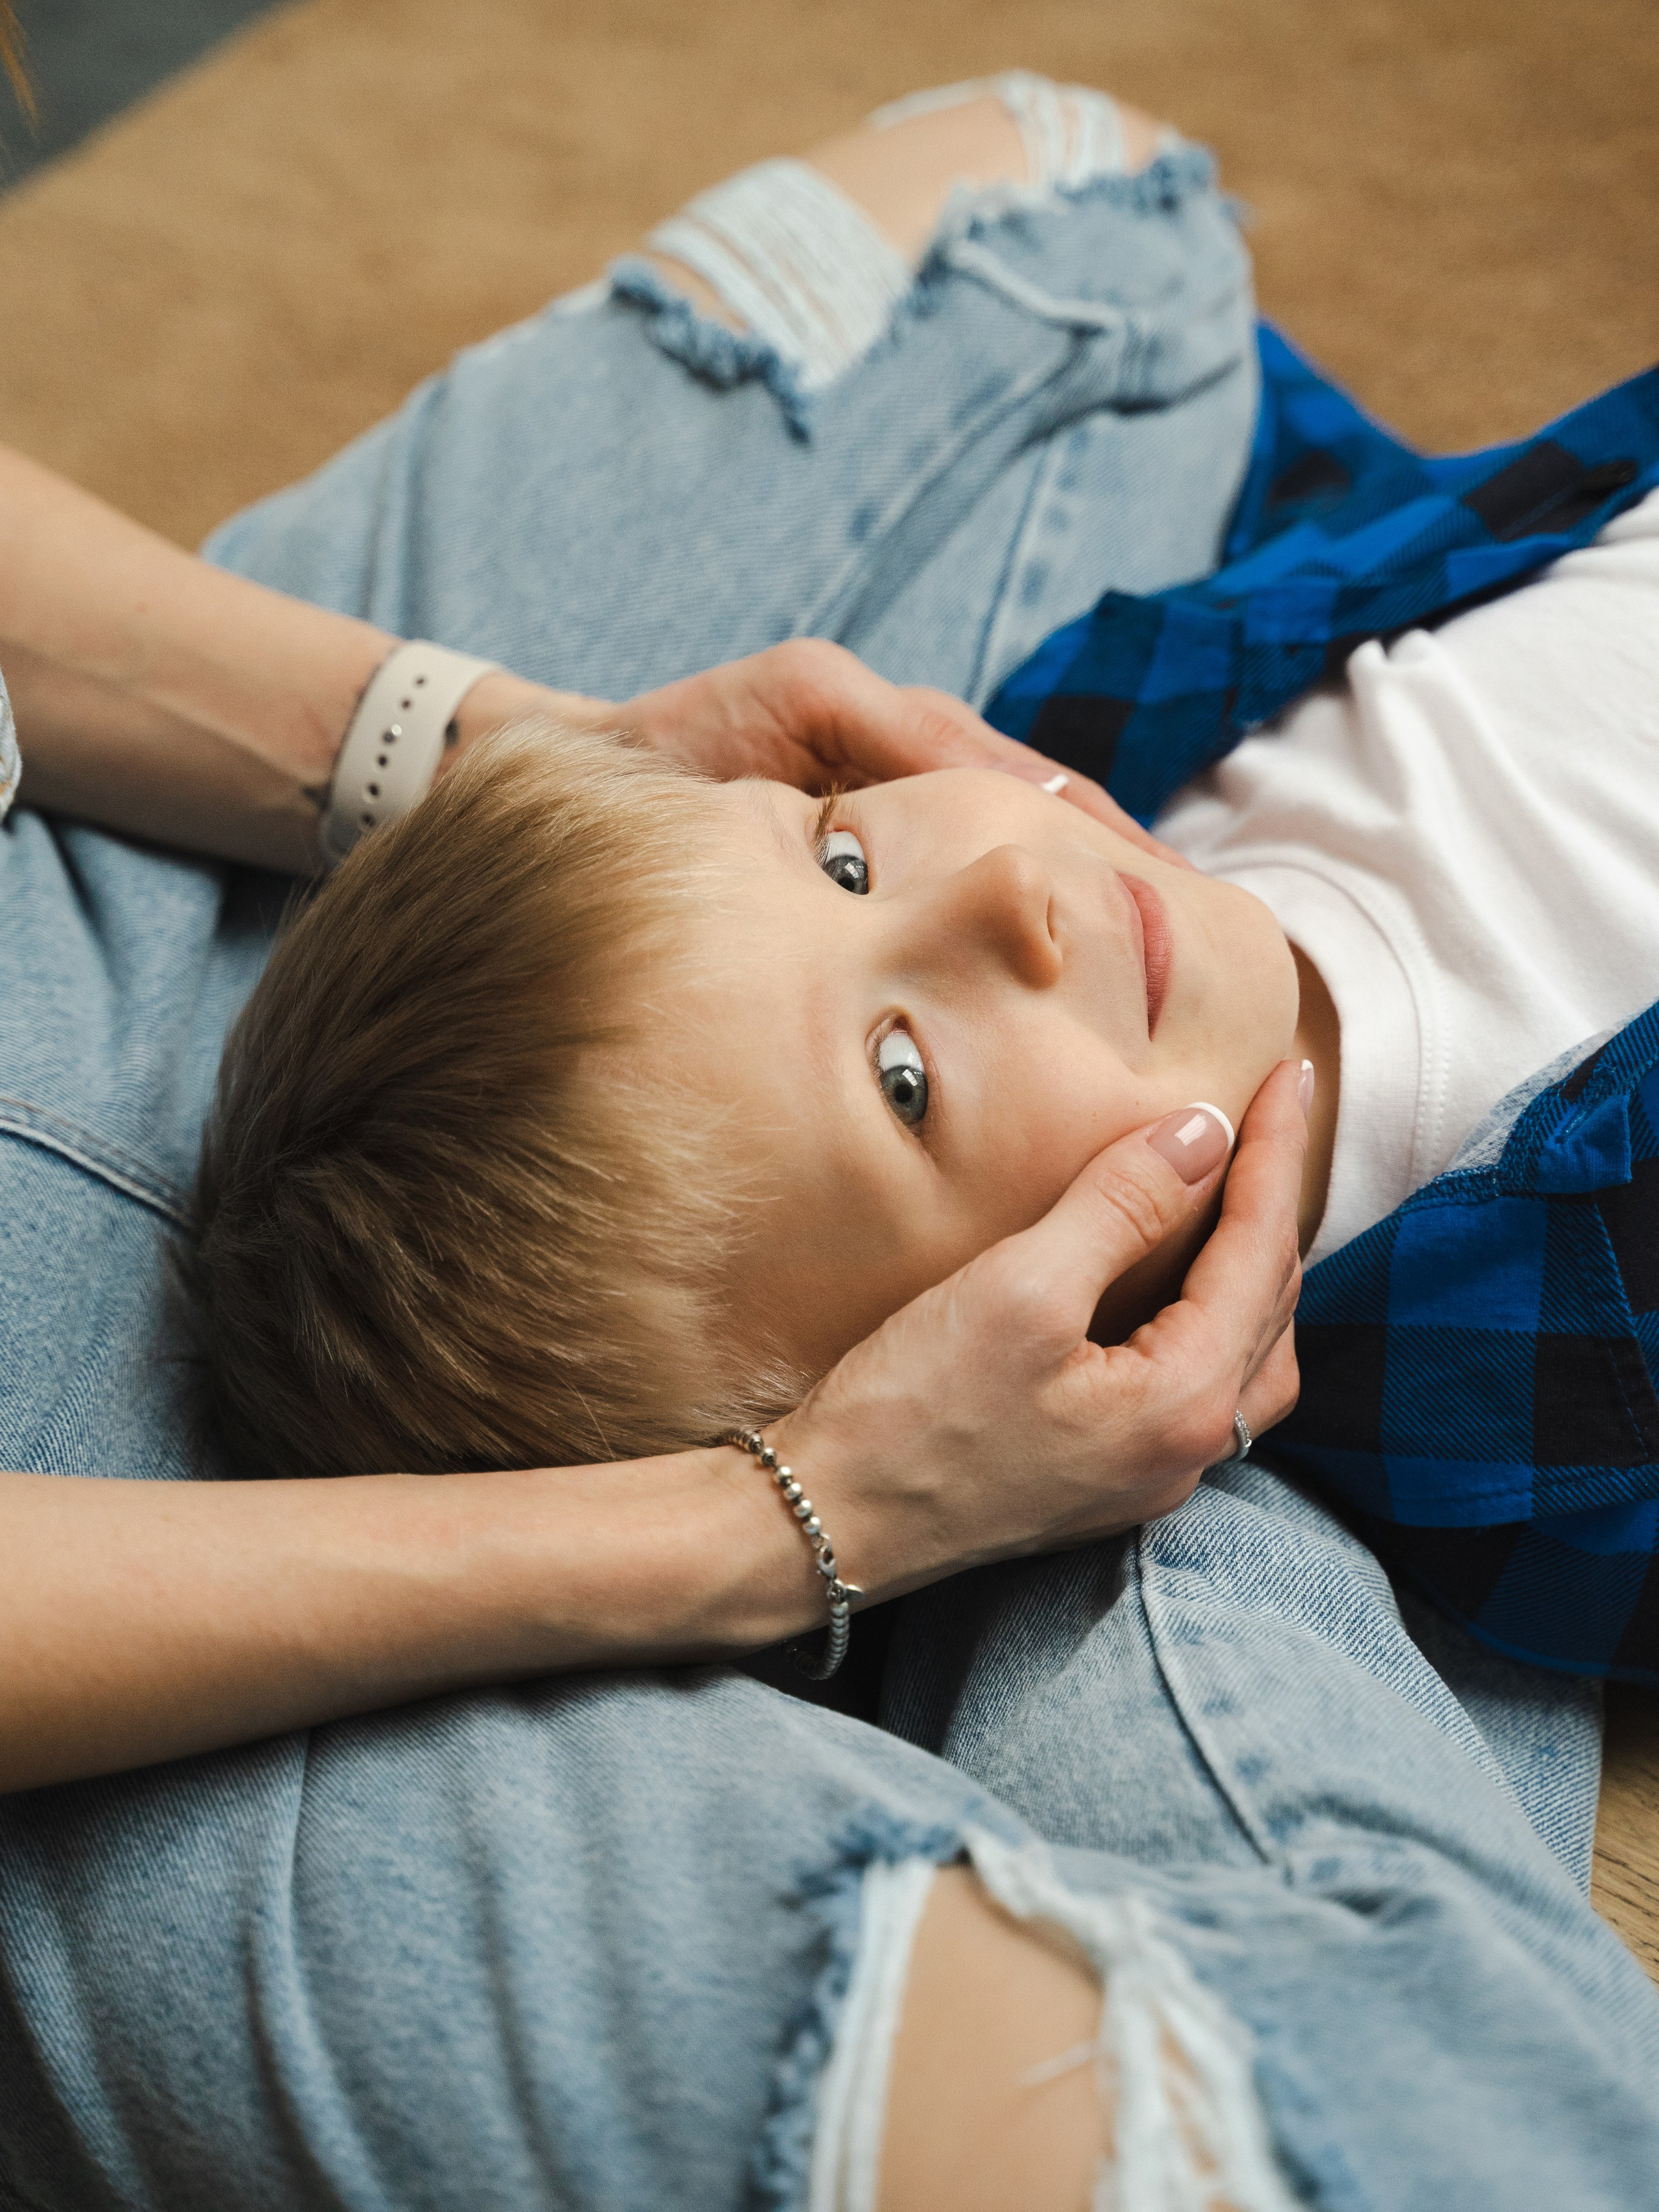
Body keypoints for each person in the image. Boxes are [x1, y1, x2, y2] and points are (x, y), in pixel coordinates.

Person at [3, 71, 1658, 2212]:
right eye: (905, 1072)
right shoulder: (1505, 1395)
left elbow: (1072, 191)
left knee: (1058, 199)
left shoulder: (1139, 701)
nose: (1005, 889)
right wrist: (796, 1523)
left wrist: (519, 751)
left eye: (846, 853)